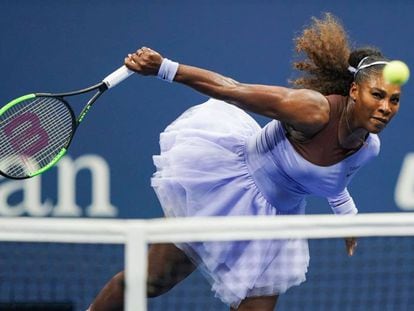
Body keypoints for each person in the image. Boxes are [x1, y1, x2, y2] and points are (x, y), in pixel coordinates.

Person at [89, 13, 401, 311]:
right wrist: (164, 67)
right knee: (148, 282)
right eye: (378, 95)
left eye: (394, 100)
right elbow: (232, 90)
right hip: (228, 191)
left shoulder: (369, 146)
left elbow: (335, 179)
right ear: (354, 91)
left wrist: (348, 218)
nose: (386, 107)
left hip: (275, 225)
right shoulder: (312, 112)